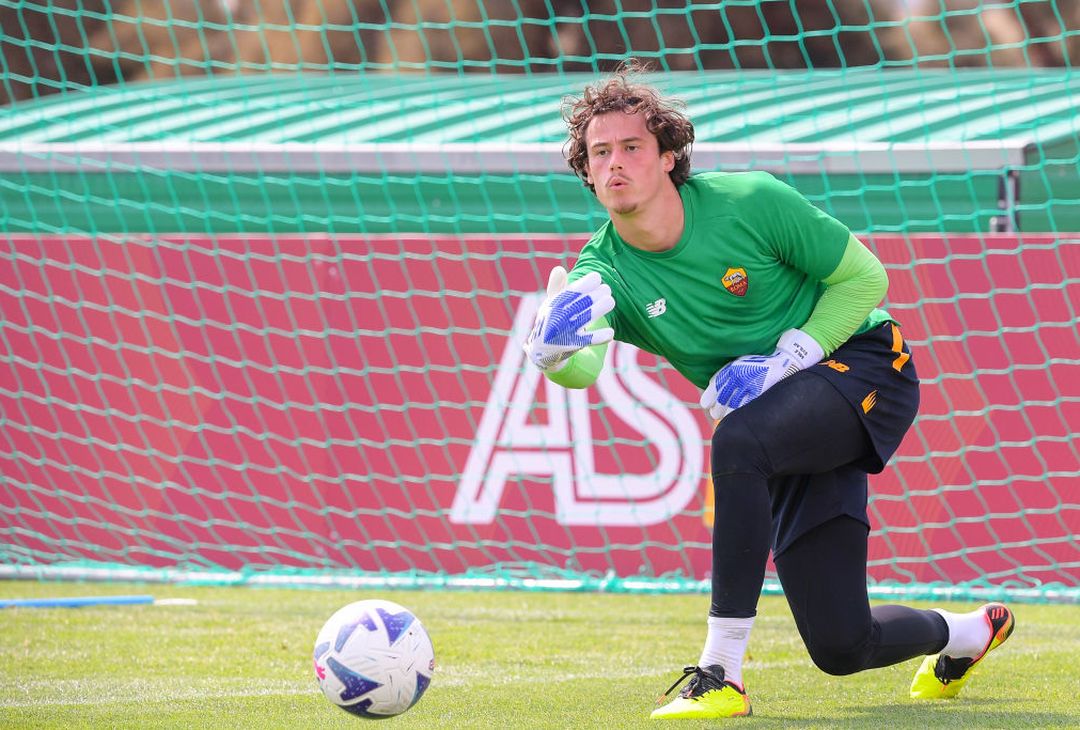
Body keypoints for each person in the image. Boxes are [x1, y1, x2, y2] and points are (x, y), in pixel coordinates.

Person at [521, 60, 1015, 720]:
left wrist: (790, 356)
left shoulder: (748, 200)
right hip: (787, 418)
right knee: (843, 644)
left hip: (866, 366)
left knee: (738, 442)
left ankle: (720, 672)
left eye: (632, 147)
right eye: (599, 152)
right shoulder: (600, 268)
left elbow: (865, 278)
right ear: (586, 169)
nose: (614, 164)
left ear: (669, 156)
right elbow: (587, 365)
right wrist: (553, 354)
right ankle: (971, 633)